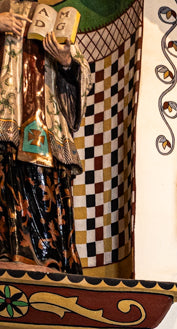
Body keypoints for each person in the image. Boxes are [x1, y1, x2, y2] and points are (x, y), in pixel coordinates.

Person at [0, 0, 92, 273]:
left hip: (46, 125)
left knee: (43, 194)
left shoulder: (53, 18)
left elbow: (80, 73)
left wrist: (66, 61)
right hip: (6, 119)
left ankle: (48, 263)